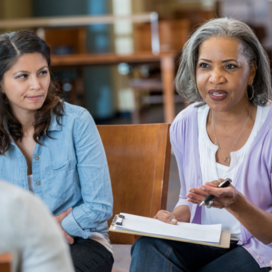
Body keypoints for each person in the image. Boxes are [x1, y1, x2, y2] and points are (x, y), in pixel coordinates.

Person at [130, 18, 272, 272]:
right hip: (205, 240)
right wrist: (174, 218)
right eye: (205, 66)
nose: (215, 78)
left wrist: (236, 203)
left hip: (260, 249)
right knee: (148, 246)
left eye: (230, 66)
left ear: (251, 72)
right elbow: (188, 198)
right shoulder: (187, 122)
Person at [0, 30, 114, 272]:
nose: (36, 85)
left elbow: (99, 205)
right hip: (11, 244)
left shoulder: (76, 121)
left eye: (42, 72)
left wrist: (47, 231)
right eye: (22, 76)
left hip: (80, 240)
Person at [0, 180, 75, 272]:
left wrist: (49, 224)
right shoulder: (22, 203)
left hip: (78, 238)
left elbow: (95, 207)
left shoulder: (20, 203)